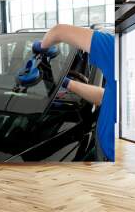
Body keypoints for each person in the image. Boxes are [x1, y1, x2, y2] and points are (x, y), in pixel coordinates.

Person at [33, 24, 115, 161]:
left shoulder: (114, 47)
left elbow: (58, 31)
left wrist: (41, 47)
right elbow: (105, 96)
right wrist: (67, 83)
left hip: (108, 154)